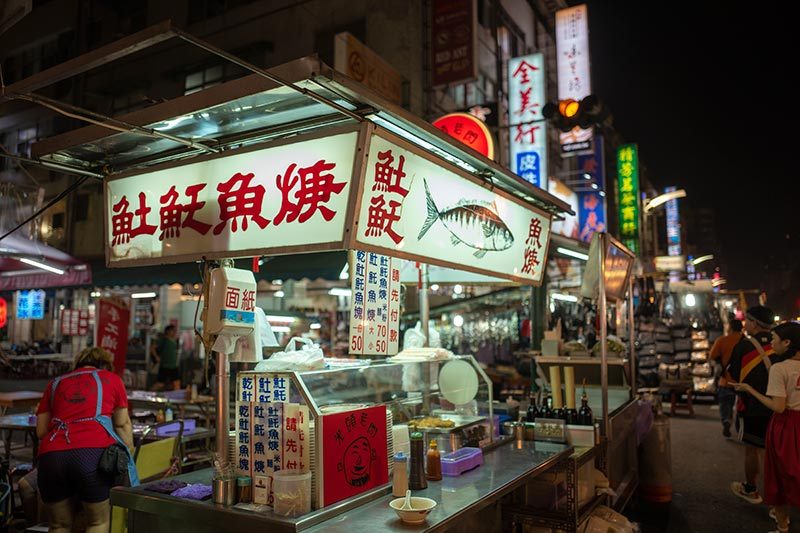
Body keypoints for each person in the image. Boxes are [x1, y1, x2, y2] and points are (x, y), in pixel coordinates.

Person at [35, 347, 138, 533]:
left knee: (58, 525)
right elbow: (122, 425)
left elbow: (41, 430)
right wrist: (130, 453)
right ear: (105, 365)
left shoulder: (55, 383)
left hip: (51, 457)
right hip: (91, 455)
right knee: (97, 523)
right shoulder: (112, 379)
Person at [733, 321, 800, 533]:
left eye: (774, 339)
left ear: (787, 343)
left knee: (780, 478)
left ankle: (782, 527)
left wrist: (750, 390)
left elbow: (778, 407)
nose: (771, 343)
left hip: (787, 426)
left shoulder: (780, 369)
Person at [726, 305, 783, 504]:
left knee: (753, 449)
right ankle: (780, 500)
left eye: (747, 321)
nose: (745, 325)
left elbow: (732, 374)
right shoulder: (783, 346)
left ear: (755, 324)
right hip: (781, 406)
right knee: (779, 453)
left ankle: (751, 489)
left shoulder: (744, 346)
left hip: (752, 407)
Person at [710, 318, 744, 437]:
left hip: (726, 380)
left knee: (725, 403)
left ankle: (726, 421)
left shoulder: (722, 340)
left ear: (730, 327)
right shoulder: (746, 342)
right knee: (742, 405)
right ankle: (741, 425)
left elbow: (712, 356)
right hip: (742, 381)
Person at [151, 325, 180, 390]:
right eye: (173, 331)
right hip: (165, 365)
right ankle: (150, 393)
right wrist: (156, 357)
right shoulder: (163, 340)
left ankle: (176, 397)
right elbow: (152, 348)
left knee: (176, 382)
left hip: (173, 365)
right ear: (168, 331)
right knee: (160, 383)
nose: (175, 332)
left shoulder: (174, 340)